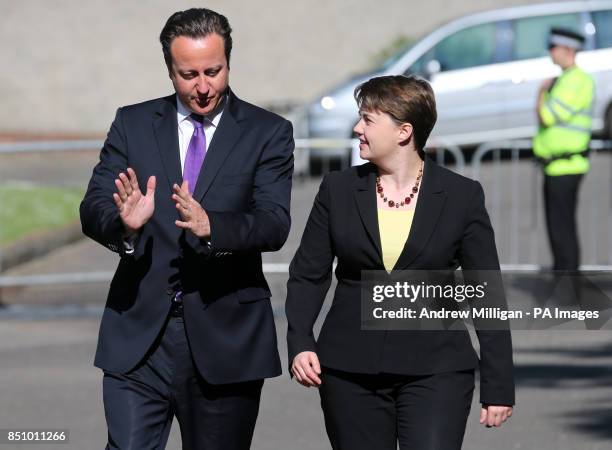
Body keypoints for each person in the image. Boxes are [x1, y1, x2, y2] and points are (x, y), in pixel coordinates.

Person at [80, 8, 294, 450]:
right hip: (139, 338)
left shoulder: (267, 132)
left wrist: (212, 225)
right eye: (188, 74)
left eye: (213, 71)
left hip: (226, 338)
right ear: (169, 69)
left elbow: (273, 223)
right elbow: (93, 206)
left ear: (229, 63)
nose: (202, 86)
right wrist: (123, 224)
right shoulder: (132, 123)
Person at [286, 75, 514, 450]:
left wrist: (499, 384)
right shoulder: (338, 189)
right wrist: (300, 340)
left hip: (437, 370)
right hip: (350, 371)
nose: (357, 128)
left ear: (403, 132)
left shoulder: (461, 196)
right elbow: (308, 274)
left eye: (368, 120)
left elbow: (486, 295)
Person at [534, 27, 594, 271]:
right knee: (558, 230)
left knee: (562, 232)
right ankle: (564, 282)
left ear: (568, 50)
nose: (550, 51)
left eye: (553, 47)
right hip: (556, 165)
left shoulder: (577, 80)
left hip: (566, 167)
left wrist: (541, 93)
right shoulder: (566, 79)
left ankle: (568, 292)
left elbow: (547, 117)